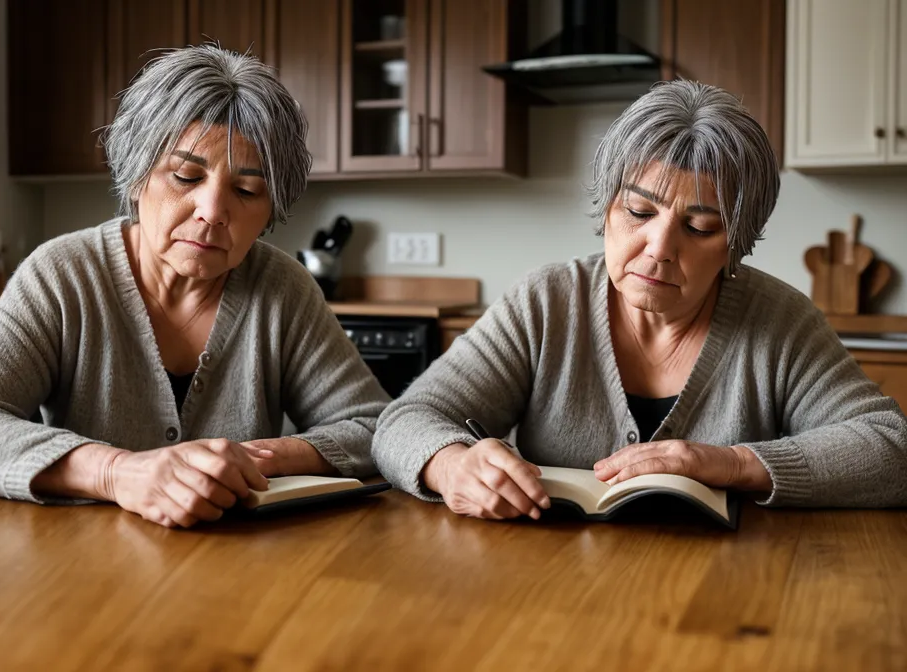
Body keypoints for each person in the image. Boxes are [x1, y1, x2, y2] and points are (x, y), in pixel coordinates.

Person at [372, 80, 907, 520]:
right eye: (639, 212)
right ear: (607, 207)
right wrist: (450, 465)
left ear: (736, 244)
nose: (659, 248)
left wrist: (732, 464)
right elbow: (404, 421)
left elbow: (892, 449)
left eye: (700, 227)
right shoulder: (545, 302)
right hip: (546, 584)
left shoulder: (780, 320)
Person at [0, 45, 389, 528]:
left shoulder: (282, 288)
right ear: (137, 177)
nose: (212, 212)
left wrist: (254, 459)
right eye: (185, 176)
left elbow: (376, 427)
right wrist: (116, 472)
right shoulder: (62, 275)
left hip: (241, 565)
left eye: (246, 190)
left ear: (270, 211)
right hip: (79, 559)